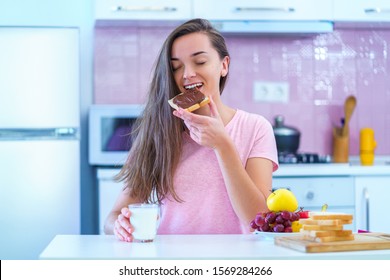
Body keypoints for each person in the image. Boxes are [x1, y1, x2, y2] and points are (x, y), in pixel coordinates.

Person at [104, 18, 279, 242]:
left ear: (224, 65)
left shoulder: (255, 128)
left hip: (238, 261)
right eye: (176, 67)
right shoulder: (159, 132)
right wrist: (119, 225)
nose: (187, 74)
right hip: (171, 261)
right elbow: (113, 216)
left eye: (200, 61)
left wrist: (223, 145)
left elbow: (259, 219)